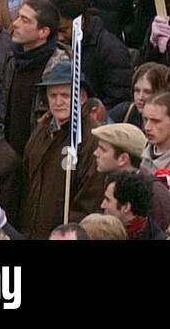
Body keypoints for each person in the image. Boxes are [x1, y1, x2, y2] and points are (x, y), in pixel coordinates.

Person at [19, 63, 107, 239]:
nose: (58, 102)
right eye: (53, 95)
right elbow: (26, 181)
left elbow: (90, 199)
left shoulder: (92, 139)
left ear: (82, 98)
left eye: (65, 95)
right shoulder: (41, 130)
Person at [0, 0, 66, 156]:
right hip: (10, 155)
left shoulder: (59, 68)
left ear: (43, 32)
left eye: (25, 20)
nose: (15, 24)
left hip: (41, 155)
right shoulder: (12, 60)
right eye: (18, 17)